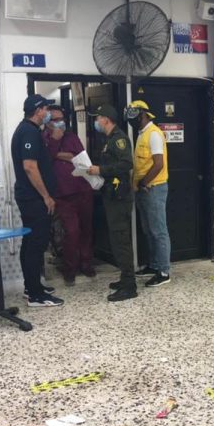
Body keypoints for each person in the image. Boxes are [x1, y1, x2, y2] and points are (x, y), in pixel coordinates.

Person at [11, 94, 64, 307]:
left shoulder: (31, 130)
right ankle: (35, 295)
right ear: (38, 110)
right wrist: (46, 196)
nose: (48, 113)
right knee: (36, 244)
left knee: (31, 243)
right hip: (34, 199)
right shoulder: (29, 132)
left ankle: (31, 286)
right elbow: (29, 167)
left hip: (30, 197)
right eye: (46, 109)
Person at [87, 105, 137, 301]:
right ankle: (125, 279)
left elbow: (126, 164)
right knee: (116, 240)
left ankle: (129, 285)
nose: (96, 121)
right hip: (111, 196)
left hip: (119, 197)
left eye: (98, 118)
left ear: (106, 119)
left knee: (121, 240)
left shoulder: (120, 139)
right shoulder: (109, 139)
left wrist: (100, 170)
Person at [44, 104, 95, 286]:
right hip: (63, 195)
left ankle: (86, 264)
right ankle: (69, 270)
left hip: (83, 190)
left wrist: (58, 154)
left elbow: (79, 157)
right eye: (55, 120)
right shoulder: (43, 139)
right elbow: (45, 158)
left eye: (61, 119)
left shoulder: (72, 137)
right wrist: (56, 146)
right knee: (72, 232)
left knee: (86, 230)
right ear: (48, 123)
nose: (60, 123)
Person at [127, 100, 171, 287]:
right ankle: (153, 265)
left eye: (135, 116)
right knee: (148, 230)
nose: (132, 119)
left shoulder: (153, 134)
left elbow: (158, 163)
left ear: (144, 114)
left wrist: (144, 182)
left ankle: (163, 271)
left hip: (153, 188)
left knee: (158, 231)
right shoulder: (141, 134)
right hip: (143, 188)